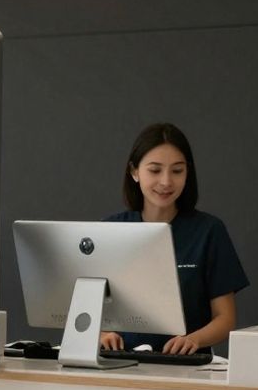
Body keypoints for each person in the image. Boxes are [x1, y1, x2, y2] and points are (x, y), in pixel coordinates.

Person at [99, 123, 248, 355]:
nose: (166, 182)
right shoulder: (109, 231)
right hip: (118, 366)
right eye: (155, 170)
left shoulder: (209, 231)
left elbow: (225, 318)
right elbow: (85, 311)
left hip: (186, 369)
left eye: (177, 171)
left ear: (188, 173)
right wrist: (101, 334)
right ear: (134, 172)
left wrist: (193, 340)